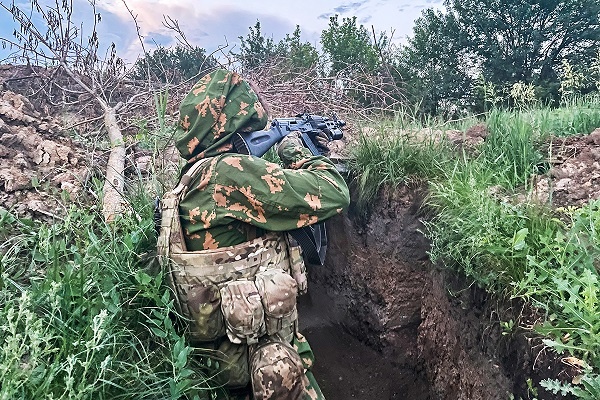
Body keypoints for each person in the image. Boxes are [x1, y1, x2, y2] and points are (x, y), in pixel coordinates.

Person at [159, 68, 350, 400]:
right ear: (234, 126)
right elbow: (334, 193)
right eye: (249, 130)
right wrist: (299, 154)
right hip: (264, 366)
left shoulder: (189, 178)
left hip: (223, 361)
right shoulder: (229, 172)